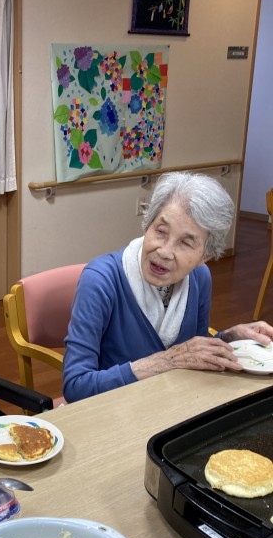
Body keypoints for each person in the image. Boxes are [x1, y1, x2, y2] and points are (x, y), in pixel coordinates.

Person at [62, 172, 273, 403]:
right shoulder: (101, 279)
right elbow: (76, 386)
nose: (164, 251)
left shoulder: (199, 277)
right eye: (161, 231)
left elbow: (193, 351)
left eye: (186, 242)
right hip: (113, 409)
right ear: (147, 225)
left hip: (173, 403)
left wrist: (229, 337)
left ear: (205, 256)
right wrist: (166, 361)